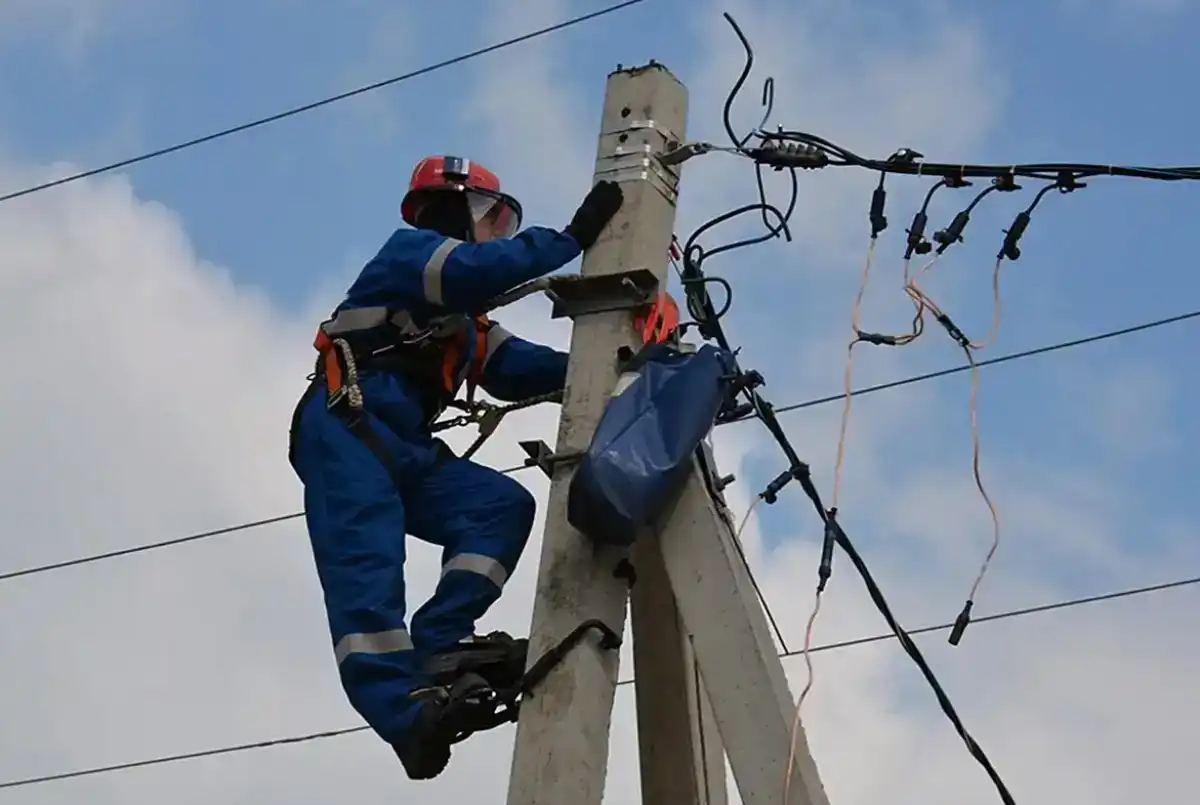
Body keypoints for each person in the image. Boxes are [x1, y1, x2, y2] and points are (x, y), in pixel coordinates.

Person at [287, 154, 623, 780]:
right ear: (455, 209)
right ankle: (403, 716)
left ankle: (440, 641)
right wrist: (568, 241)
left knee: (498, 508)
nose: (497, 231)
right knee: (367, 570)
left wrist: (622, 363)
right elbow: (474, 271)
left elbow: (523, 368)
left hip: (401, 447)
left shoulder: (464, 326)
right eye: (492, 217)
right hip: (344, 431)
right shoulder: (412, 254)